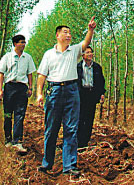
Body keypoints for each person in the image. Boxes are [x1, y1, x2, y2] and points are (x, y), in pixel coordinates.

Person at [36, 16, 96, 176]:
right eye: (65, 32)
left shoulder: (74, 50)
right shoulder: (49, 54)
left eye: (70, 33)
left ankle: (69, 165)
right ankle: (47, 163)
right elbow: (41, 75)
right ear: (58, 35)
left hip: (71, 91)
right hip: (54, 91)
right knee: (51, 129)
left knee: (71, 128)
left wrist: (90, 30)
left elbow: (86, 43)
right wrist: (39, 93)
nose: (69, 35)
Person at [0, 34, 36, 154]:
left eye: (24, 42)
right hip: (10, 87)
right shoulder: (7, 57)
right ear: (15, 44)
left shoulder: (27, 58)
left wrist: (30, 87)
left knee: (20, 114)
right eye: (21, 42)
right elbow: (1, 73)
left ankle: (17, 141)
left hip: (22, 88)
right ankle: (7, 139)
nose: (23, 44)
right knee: (8, 114)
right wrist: (0, 89)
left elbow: (30, 73)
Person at [77, 46, 105, 148]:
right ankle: (78, 142)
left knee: (89, 119)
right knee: (80, 118)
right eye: (87, 52)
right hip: (81, 95)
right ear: (83, 55)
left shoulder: (97, 67)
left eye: (91, 52)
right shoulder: (78, 67)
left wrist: (101, 93)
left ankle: (85, 142)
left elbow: (101, 82)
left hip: (92, 95)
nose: (90, 54)